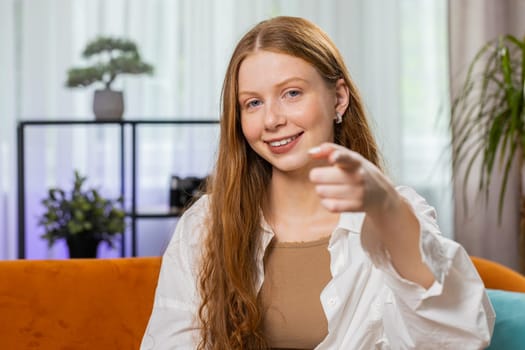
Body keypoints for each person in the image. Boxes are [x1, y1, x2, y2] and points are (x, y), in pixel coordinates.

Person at [141, 16, 494, 350]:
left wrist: (387, 213)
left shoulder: (395, 211)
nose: (272, 120)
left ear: (338, 98)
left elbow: (458, 336)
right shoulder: (205, 225)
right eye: (252, 103)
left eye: (291, 93)